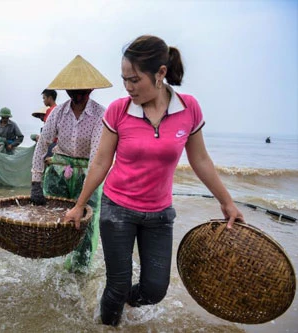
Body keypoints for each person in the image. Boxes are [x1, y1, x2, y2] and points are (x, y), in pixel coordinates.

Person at [63, 35, 245, 326]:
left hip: (160, 214)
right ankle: (107, 324)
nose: (128, 87)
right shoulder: (119, 110)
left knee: (155, 290)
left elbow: (200, 160)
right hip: (117, 209)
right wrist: (79, 204)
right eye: (124, 79)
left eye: (134, 80)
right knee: (118, 284)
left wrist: (227, 202)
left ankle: (116, 303)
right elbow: (100, 162)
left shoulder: (189, 108)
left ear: (161, 73)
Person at [30, 55, 112, 272]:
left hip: (89, 173)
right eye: (72, 91)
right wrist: (36, 180)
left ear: (91, 90)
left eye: (82, 91)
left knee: (85, 222)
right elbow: (42, 144)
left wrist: (81, 201)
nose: (77, 95)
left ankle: (79, 270)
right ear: (66, 91)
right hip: (58, 171)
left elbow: (96, 157)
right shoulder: (58, 112)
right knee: (54, 218)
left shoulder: (100, 115)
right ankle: (51, 266)